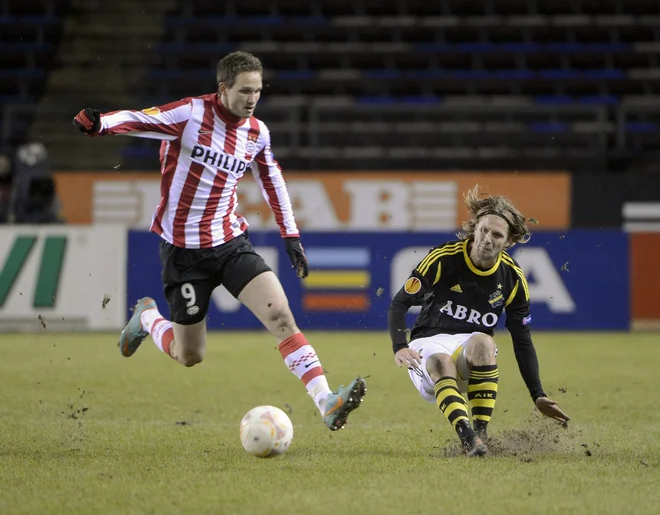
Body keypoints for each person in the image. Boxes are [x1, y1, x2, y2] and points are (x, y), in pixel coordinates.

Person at [73, 51, 366, 431]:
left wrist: (290, 235)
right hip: (184, 252)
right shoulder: (190, 115)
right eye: (245, 91)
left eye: (258, 91)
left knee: (280, 315)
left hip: (229, 243)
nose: (252, 99)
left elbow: (271, 180)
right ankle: (147, 317)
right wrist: (100, 124)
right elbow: (143, 119)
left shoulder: (257, 132)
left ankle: (326, 401)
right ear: (223, 88)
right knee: (189, 355)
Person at [388, 184, 569, 456]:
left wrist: (538, 394)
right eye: (483, 230)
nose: (487, 239)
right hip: (428, 343)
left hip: (470, 352)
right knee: (440, 361)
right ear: (475, 228)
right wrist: (400, 346)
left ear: (508, 242)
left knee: (484, 341)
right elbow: (400, 302)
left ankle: (481, 435)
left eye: (496, 234)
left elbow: (522, 339)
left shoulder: (512, 278)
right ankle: (466, 436)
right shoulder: (444, 258)